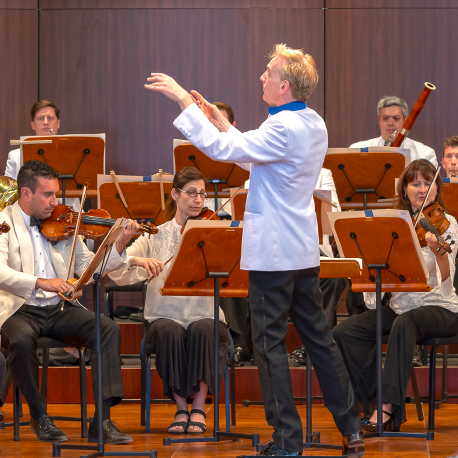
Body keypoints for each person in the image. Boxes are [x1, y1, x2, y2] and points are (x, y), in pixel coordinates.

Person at [145, 43, 364, 457]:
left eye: (268, 73)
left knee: (269, 346)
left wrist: (180, 98)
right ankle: (351, 429)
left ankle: (286, 442)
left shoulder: (281, 128)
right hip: (300, 251)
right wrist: (218, 119)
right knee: (320, 341)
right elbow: (256, 154)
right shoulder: (312, 121)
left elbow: (228, 152)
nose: (262, 77)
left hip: (273, 255)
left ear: (284, 85)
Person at [0, 159, 140, 444]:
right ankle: (39, 417)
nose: (56, 201)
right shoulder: (4, 223)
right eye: (47, 194)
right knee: (21, 341)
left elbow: (91, 269)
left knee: (107, 328)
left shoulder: (62, 223)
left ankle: (101, 421)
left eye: (56, 193)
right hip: (19, 308)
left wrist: (118, 244)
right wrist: (41, 282)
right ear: (26, 193)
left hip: (60, 308)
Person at [333, 159, 458, 432]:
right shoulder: (394, 225)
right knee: (345, 332)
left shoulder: (446, 223)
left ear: (437, 188)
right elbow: (384, 284)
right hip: (401, 306)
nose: (422, 189)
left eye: (428, 183)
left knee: (405, 323)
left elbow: (446, 286)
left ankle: (388, 408)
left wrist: (439, 254)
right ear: (404, 189)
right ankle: (368, 402)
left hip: (440, 308)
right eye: (416, 183)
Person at [109, 166, 228, 435]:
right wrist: (126, 244)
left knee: (203, 329)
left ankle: (198, 407)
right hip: (164, 316)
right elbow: (118, 272)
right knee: (169, 331)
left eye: (202, 194)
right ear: (175, 194)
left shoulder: (211, 232)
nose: (199, 199)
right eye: (192, 193)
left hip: (205, 314)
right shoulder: (155, 234)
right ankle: (181, 408)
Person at [350, 95, 438, 167]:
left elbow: (432, 187)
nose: (390, 123)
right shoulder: (356, 150)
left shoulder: (425, 154)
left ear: (406, 121)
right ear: (379, 121)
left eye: (396, 118)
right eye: (385, 118)